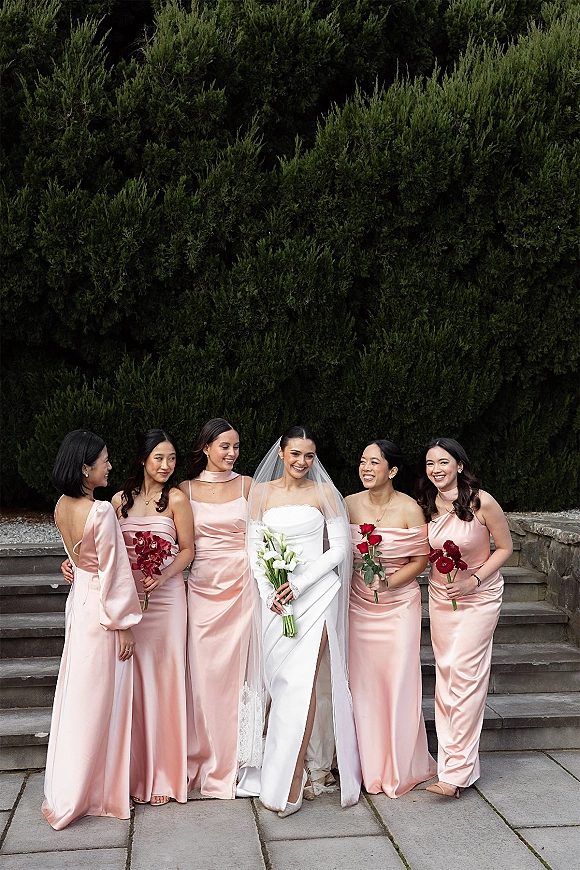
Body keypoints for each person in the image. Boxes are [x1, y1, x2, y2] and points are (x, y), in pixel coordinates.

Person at [248, 426, 361, 817]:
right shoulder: (260, 493)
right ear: (281, 452)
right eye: (295, 454)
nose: (301, 462)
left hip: (315, 597)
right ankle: (277, 773)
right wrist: (270, 593)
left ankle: (294, 780)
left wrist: (297, 583)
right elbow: (254, 546)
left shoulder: (324, 493)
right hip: (276, 603)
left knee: (303, 684)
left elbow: (340, 550)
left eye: (309, 456)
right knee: (281, 685)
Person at [43, 430, 142, 830]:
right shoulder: (100, 511)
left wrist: (70, 566)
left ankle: (71, 786)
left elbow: (79, 558)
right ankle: (90, 791)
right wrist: (124, 626)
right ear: (85, 468)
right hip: (101, 610)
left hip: (79, 604)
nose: (111, 466)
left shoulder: (60, 506)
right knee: (98, 702)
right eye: (104, 460)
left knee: (78, 699)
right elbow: (115, 574)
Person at [416, 437, 513, 798]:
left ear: (458, 465)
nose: (436, 470)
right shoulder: (424, 506)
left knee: (465, 673)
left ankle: (454, 775)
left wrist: (474, 580)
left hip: (481, 595)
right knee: (446, 674)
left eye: (443, 462)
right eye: (430, 464)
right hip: (442, 598)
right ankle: (455, 766)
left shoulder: (480, 501)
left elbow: (505, 548)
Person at [346, 439, 436, 797]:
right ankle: (367, 765)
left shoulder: (410, 509)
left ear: (392, 471)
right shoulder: (349, 503)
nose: (366, 468)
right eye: (363, 461)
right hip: (357, 603)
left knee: (399, 680)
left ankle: (400, 764)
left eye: (374, 463)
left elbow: (421, 559)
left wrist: (388, 582)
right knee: (364, 684)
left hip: (398, 604)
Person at [179, 419, 260, 799]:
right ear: (206, 448)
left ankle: (241, 758)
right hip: (202, 589)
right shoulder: (185, 489)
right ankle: (206, 756)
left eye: (236, 447)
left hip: (243, 587)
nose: (231, 454)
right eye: (224, 447)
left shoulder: (249, 486)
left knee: (240, 677)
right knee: (205, 677)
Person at [113, 429, 194, 807]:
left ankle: (165, 773)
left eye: (172, 458)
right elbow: (104, 549)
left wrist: (162, 575)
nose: (166, 465)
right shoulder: (118, 502)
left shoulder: (176, 499)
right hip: (132, 603)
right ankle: (131, 774)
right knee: (133, 685)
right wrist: (73, 563)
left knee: (166, 681)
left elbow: (189, 550)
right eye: (160, 457)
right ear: (144, 458)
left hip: (167, 602)